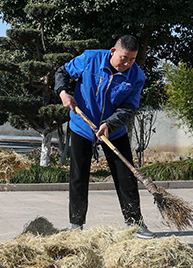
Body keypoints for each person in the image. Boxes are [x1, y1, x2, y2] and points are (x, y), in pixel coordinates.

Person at [55, 35, 154, 239]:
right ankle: (76, 225)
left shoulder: (137, 76)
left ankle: (135, 223)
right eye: (124, 58)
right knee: (78, 176)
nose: (127, 64)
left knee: (126, 176)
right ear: (113, 52)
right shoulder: (89, 59)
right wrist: (63, 93)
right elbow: (62, 71)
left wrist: (110, 123)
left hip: (114, 130)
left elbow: (129, 107)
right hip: (82, 125)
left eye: (132, 59)